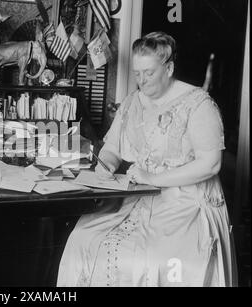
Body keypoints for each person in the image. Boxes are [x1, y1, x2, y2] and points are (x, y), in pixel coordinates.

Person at [57, 32, 237, 287]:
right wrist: (105, 163)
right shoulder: (132, 102)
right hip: (139, 195)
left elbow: (211, 164)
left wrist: (154, 178)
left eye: (149, 73)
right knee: (82, 239)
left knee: (152, 259)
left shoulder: (198, 104)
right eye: (137, 73)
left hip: (185, 200)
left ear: (169, 68)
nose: (142, 81)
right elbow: (112, 148)